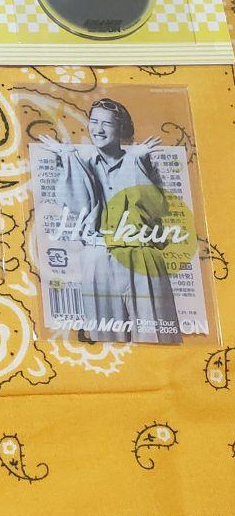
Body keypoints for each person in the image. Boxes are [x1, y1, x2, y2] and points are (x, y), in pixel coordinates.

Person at [39, 99, 181, 344]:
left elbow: (155, 208)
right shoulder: (80, 163)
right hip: (98, 255)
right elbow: (77, 206)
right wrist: (65, 155)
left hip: (142, 253)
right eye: (94, 122)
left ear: (121, 127)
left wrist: (139, 162)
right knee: (104, 341)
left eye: (107, 123)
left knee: (157, 336)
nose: (98, 129)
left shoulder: (140, 159)